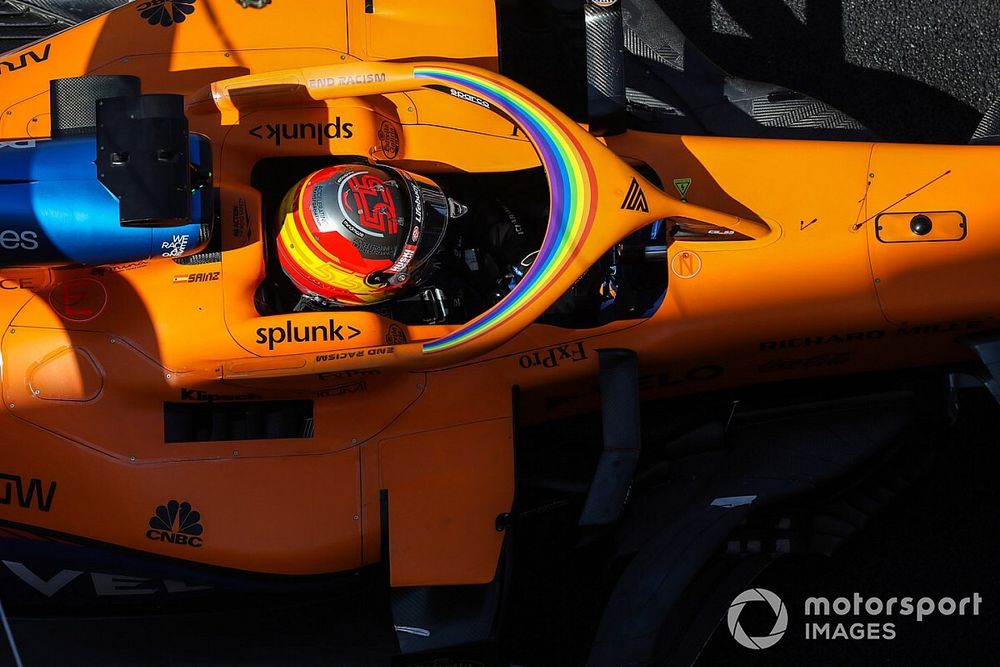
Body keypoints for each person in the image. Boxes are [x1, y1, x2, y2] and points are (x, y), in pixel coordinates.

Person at [275, 164, 542, 320]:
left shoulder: (408, 232)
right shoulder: (385, 331)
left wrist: (519, 250)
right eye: (420, 244)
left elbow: (468, 209)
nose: (437, 220)